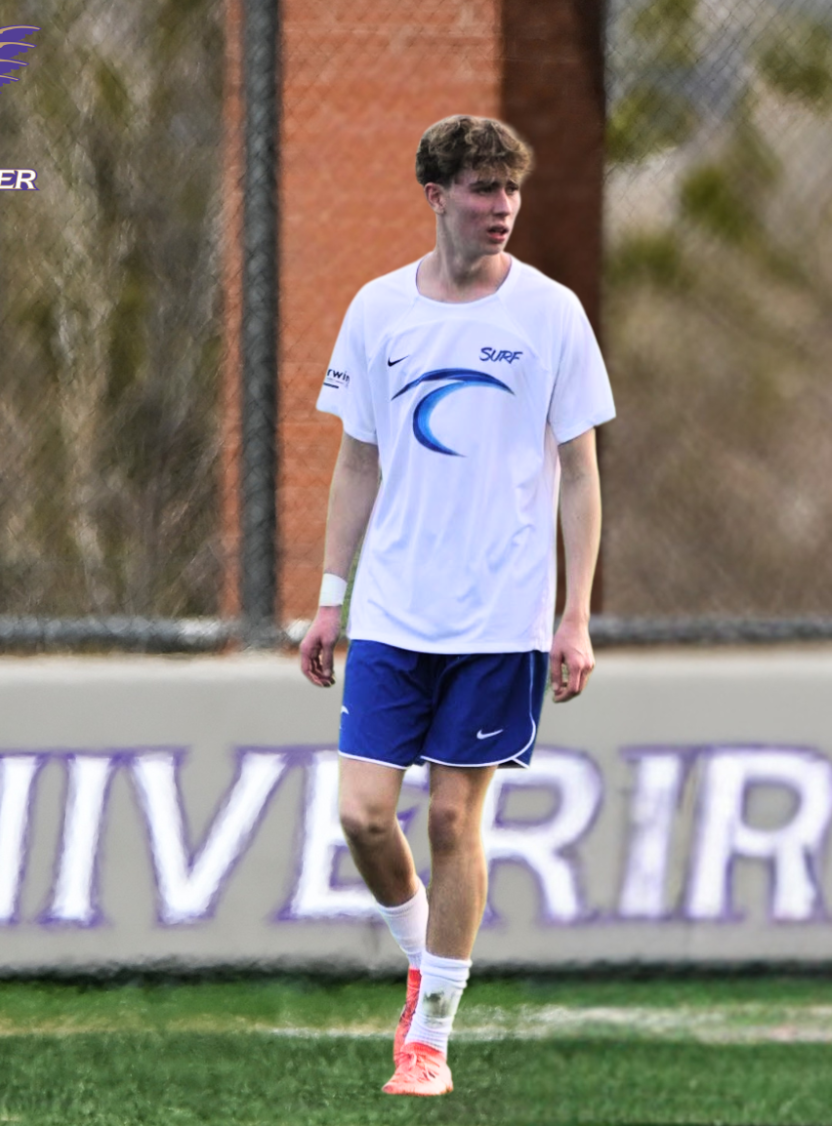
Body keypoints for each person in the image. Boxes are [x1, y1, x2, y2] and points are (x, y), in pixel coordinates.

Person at [298, 114, 614, 1098]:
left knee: (449, 820)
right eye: (481, 189)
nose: (501, 207)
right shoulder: (377, 309)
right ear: (435, 194)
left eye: (509, 190)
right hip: (393, 612)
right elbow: (355, 461)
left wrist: (576, 613)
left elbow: (579, 474)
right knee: (359, 814)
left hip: (500, 619)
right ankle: (419, 955)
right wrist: (328, 600)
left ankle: (428, 1037)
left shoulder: (552, 313)